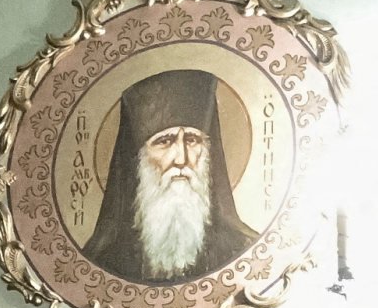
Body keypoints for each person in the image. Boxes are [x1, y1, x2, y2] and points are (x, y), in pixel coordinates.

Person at [79, 68, 258, 286]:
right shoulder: (102, 261)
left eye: (192, 140)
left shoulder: (244, 250)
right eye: (164, 141)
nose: (181, 159)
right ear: (137, 159)